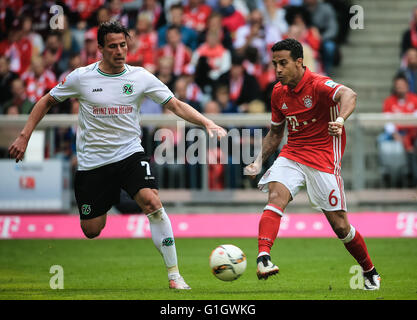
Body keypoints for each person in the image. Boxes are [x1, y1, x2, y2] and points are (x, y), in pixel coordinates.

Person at [8, 21, 227, 290]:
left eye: (123, 45)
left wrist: (206, 123)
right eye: (112, 46)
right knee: (91, 230)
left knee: (152, 202)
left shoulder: (140, 77)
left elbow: (176, 105)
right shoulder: (81, 77)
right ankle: (111, 196)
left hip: (129, 154)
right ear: (100, 48)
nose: (119, 51)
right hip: (93, 163)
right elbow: (46, 101)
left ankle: (174, 276)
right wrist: (24, 135)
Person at [244, 39, 381, 290]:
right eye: (275, 64)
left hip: (323, 157)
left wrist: (340, 119)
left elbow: (349, 94)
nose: (278, 70)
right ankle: (263, 256)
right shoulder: (278, 92)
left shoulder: (318, 85)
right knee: (275, 196)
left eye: (283, 63)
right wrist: (258, 162)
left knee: (340, 226)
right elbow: (275, 133)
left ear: (299, 62)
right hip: (293, 154)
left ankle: (369, 269)